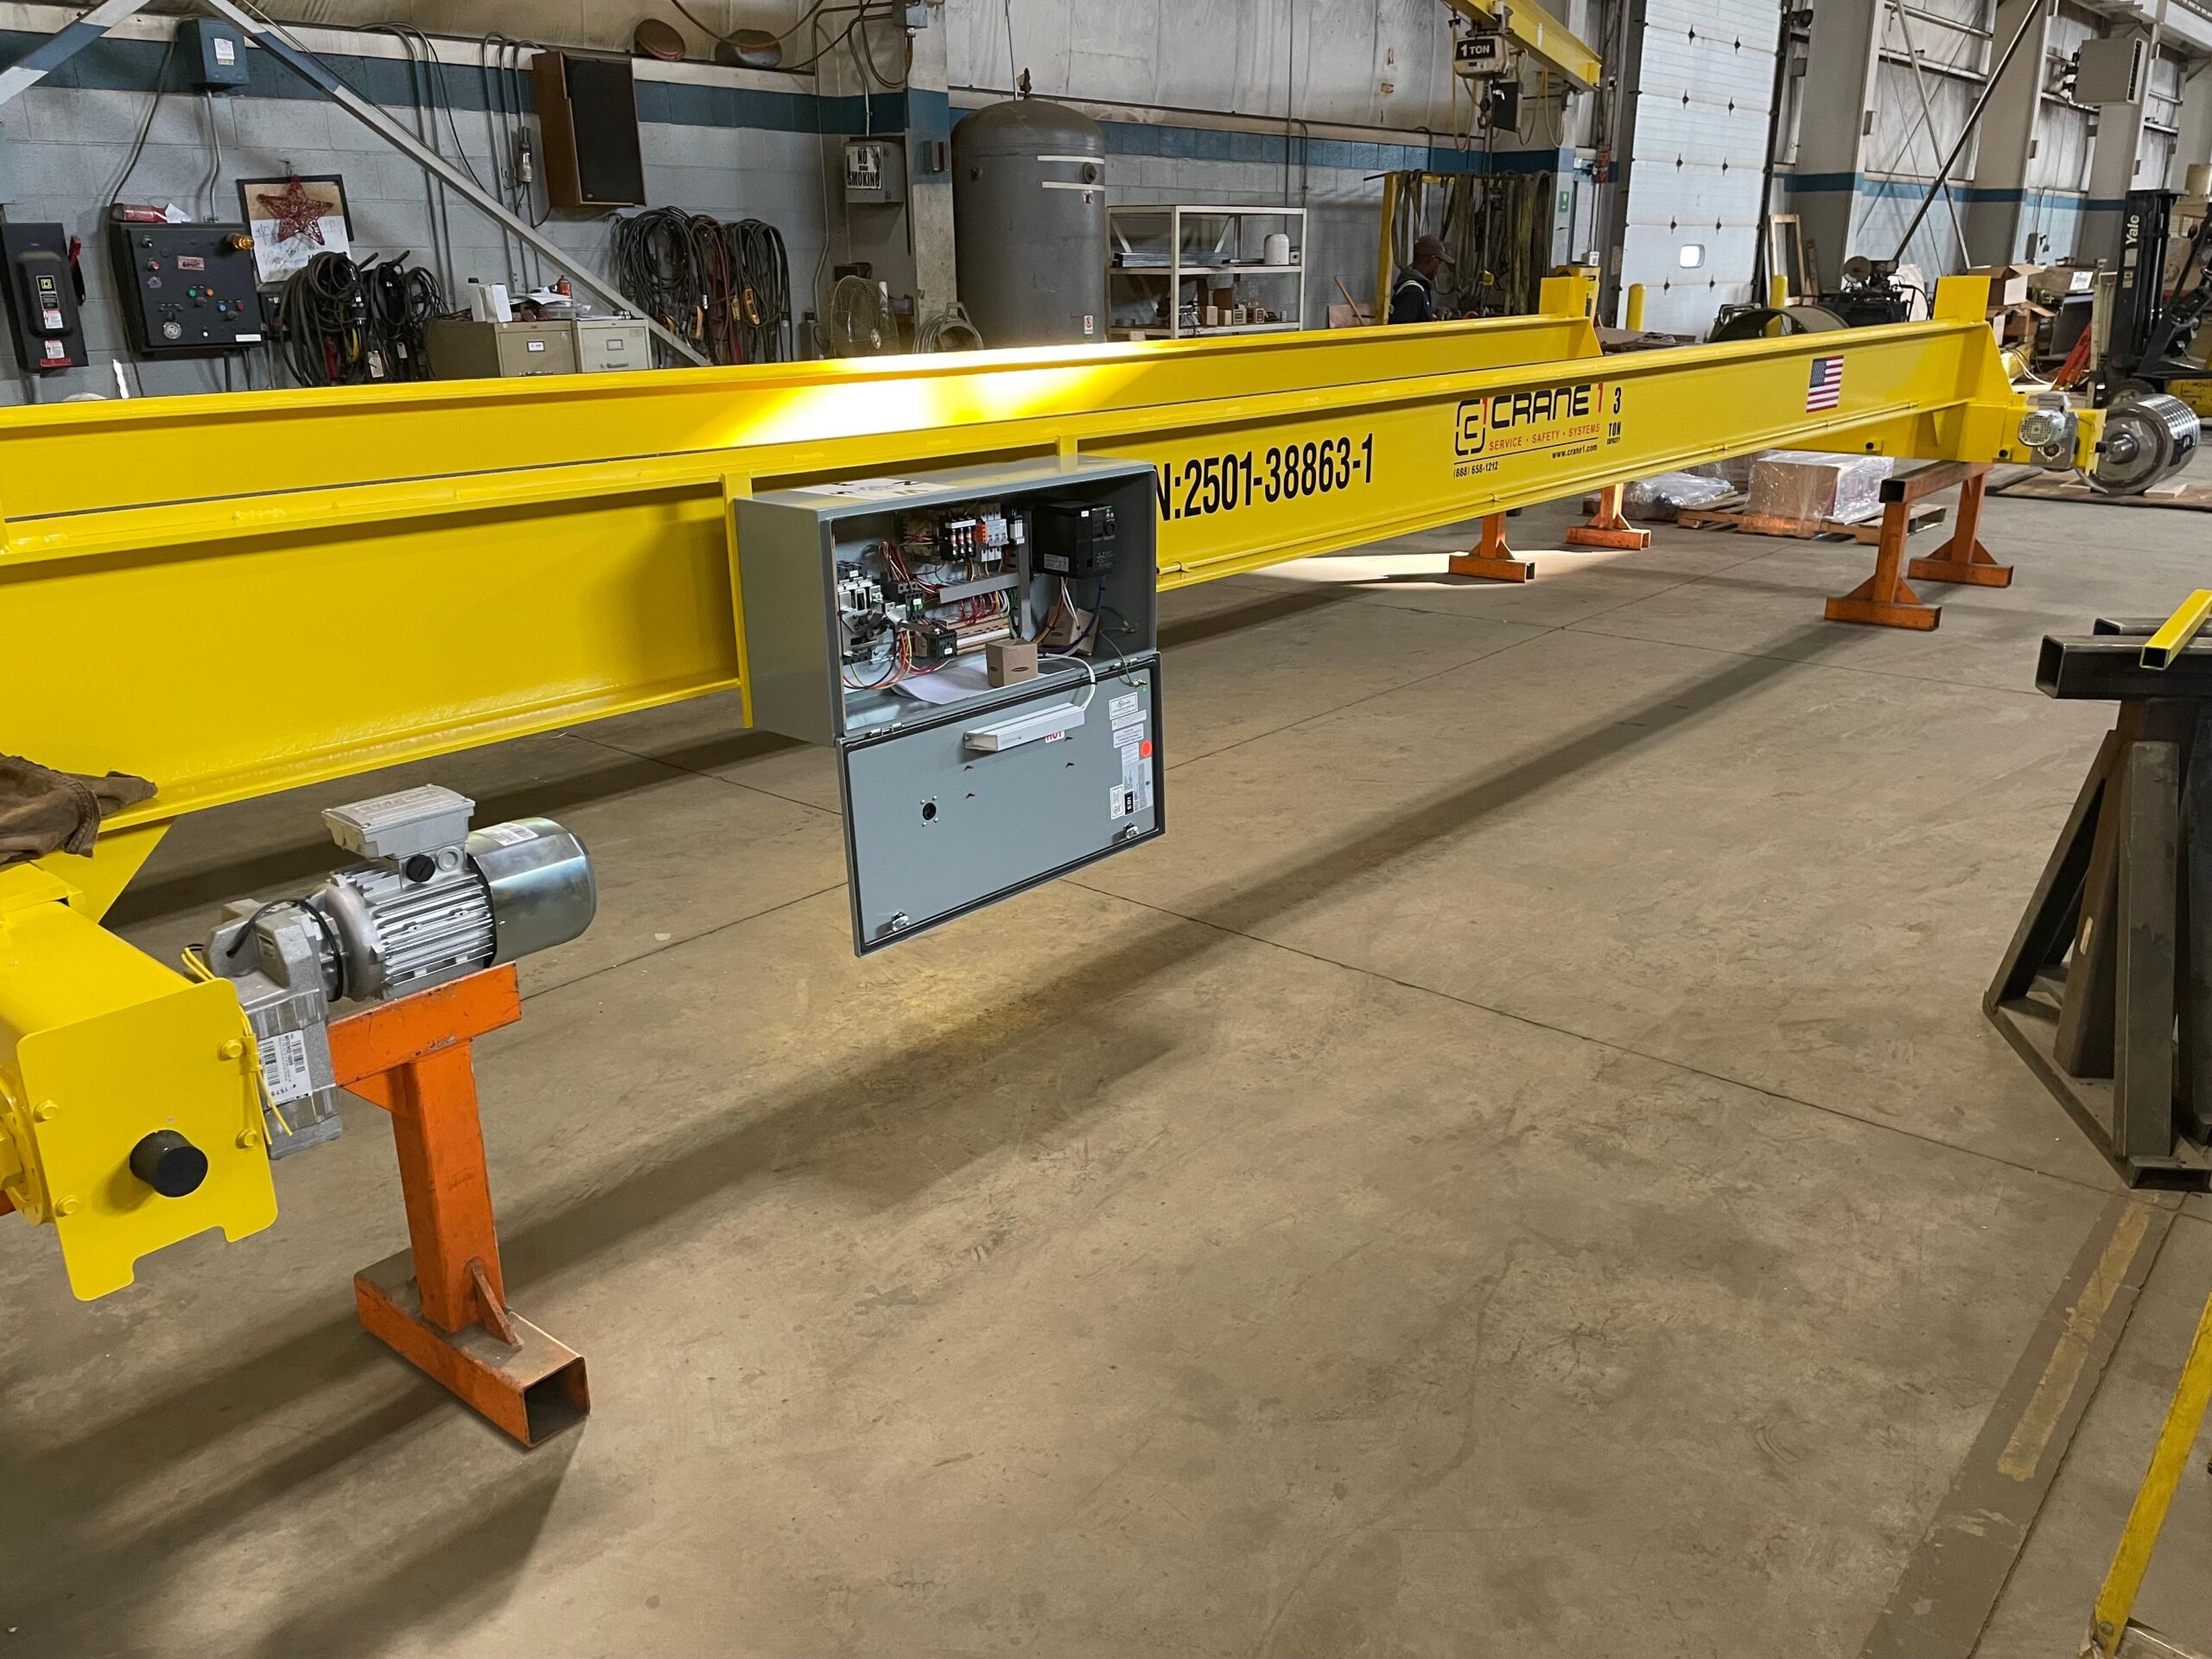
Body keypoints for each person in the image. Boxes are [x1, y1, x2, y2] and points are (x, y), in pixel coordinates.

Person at [1389, 233, 1451, 324]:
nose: (1437, 269)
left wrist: (1434, 311)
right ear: (1432, 260)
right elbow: (1401, 328)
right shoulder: (1413, 292)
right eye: (1439, 263)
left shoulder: (1417, 288)